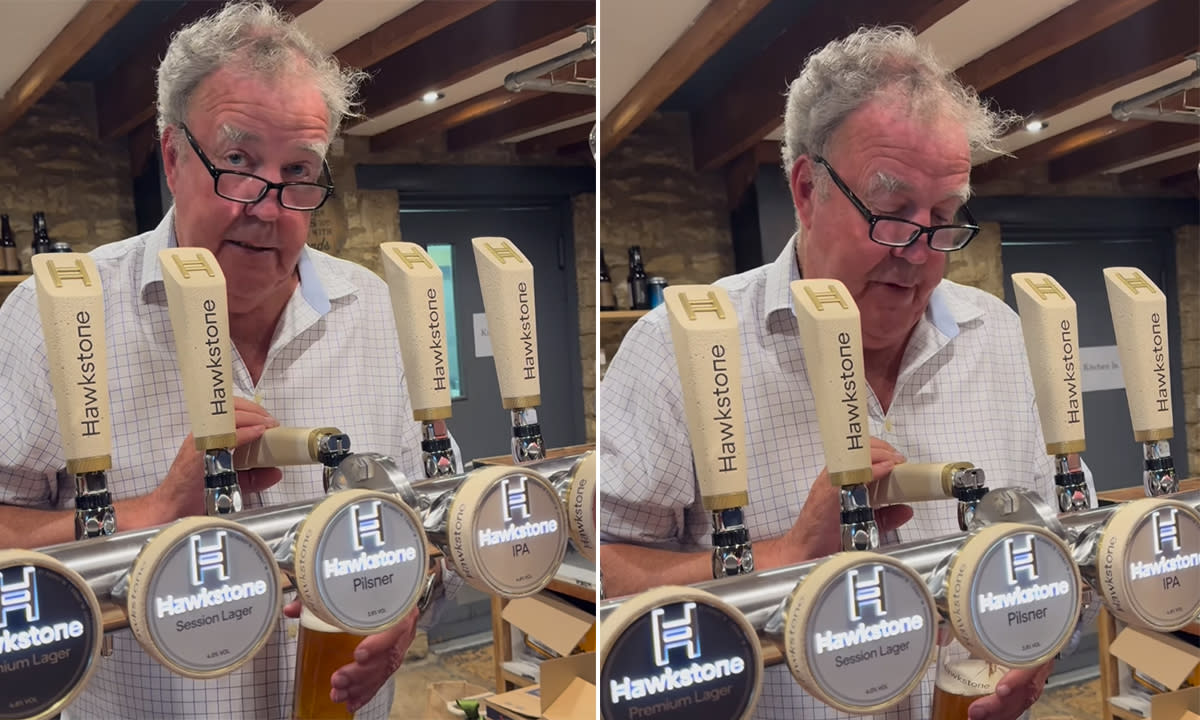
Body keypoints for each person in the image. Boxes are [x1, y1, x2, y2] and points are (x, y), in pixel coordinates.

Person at [599, 26, 1094, 720]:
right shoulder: (674, 348)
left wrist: (1036, 651)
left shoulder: (1002, 339)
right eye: (892, 215)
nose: (921, 255)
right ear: (807, 189)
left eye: (945, 218)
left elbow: (1063, 536)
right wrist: (788, 553)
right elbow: (602, 578)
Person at [0, 3, 432, 717]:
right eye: (237, 162)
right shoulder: (56, 313)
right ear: (173, 159)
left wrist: (411, 598)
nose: (268, 206)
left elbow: (419, 514)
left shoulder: (375, 310)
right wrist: (155, 511)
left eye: (299, 171)